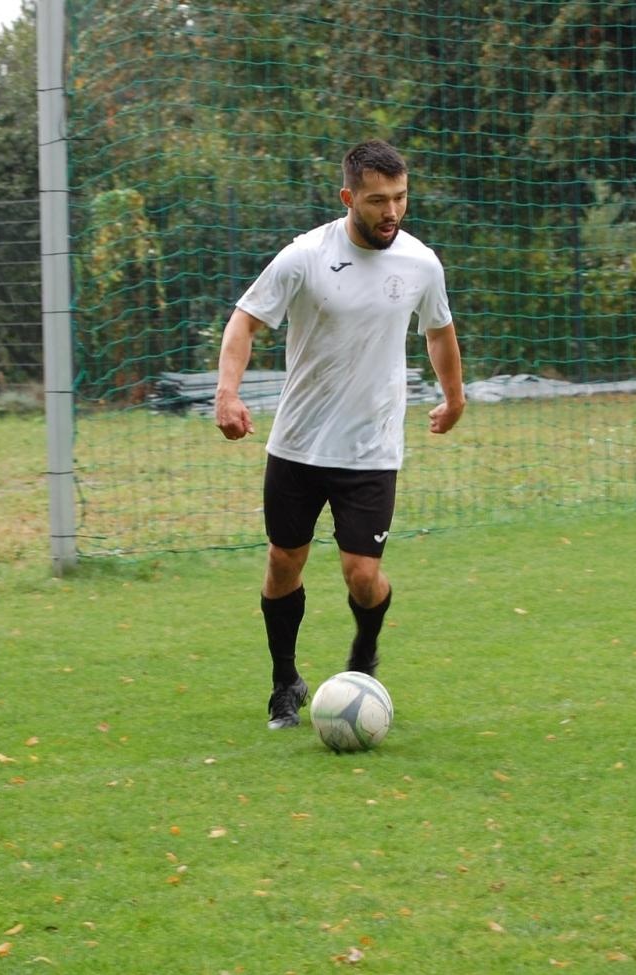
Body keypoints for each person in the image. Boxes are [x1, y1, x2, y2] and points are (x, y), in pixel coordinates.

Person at [214, 140, 466, 730]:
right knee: (283, 562)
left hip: (371, 448)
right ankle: (285, 683)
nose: (392, 212)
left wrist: (454, 396)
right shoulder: (305, 256)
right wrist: (226, 392)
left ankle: (362, 662)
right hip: (298, 444)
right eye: (378, 200)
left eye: (400, 198)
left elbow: (439, 333)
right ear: (349, 197)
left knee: (363, 574)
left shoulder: (422, 263)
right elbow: (244, 321)